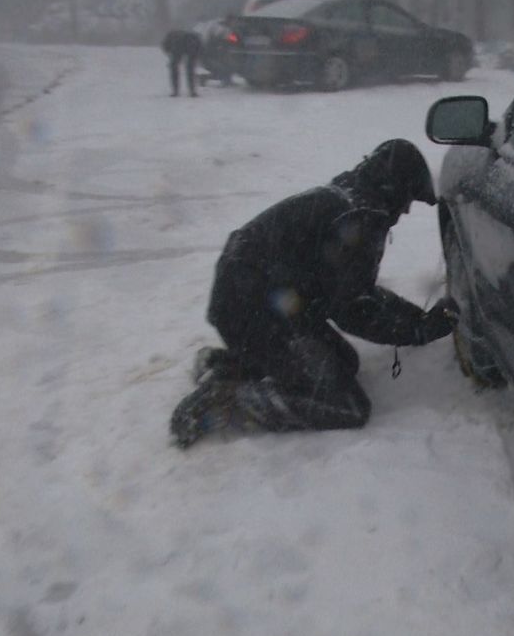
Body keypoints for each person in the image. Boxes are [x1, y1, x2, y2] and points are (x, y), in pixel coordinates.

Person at [170, 139, 458, 448]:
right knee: (346, 406)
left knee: (343, 362)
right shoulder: (358, 221)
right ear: (393, 189)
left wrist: (416, 318)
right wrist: (417, 331)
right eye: (407, 201)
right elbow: (352, 311)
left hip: (260, 300)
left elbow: (360, 293)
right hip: (253, 309)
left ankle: (226, 363)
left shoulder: (348, 202)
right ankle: (225, 400)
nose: (404, 212)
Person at [161, 29, 202, 97]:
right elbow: (167, 48)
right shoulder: (174, 39)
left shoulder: (195, 40)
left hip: (186, 44)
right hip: (181, 45)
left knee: (181, 68)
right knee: (187, 69)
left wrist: (171, 57)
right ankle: (189, 91)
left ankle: (178, 91)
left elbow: (199, 50)